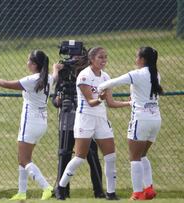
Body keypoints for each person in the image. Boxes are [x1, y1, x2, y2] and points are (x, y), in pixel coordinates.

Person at [0, 50, 53, 200]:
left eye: (28, 61)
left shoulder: (32, 79)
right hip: (41, 122)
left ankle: (46, 187)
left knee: (25, 160)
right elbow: (54, 76)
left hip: (30, 122)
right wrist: (56, 70)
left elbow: (6, 84)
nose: (27, 63)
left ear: (34, 64)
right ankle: (22, 192)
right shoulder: (48, 77)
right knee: (23, 157)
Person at [57, 47, 130, 200]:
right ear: (92, 59)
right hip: (85, 119)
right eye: (100, 57)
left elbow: (110, 103)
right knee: (79, 157)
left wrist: (129, 103)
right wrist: (100, 98)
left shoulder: (106, 77)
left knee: (110, 156)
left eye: (105, 57)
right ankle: (60, 187)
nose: (104, 60)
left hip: (101, 120)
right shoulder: (84, 76)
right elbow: (91, 102)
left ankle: (111, 193)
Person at [98, 47, 162, 200]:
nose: (135, 60)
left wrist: (100, 88)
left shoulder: (137, 74)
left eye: (137, 57)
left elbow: (113, 82)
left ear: (143, 59)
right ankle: (149, 189)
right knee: (143, 155)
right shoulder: (156, 74)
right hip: (156, 120)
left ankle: (137, 192)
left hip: (141, 120)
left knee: (134, 158)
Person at [51, 53, 105, 199]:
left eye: (78, 58)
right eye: (72, 58)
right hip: (67, 120)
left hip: (87, 121)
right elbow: (55, 100)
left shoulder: (89, 75)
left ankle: (99, 191)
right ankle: (63, 191)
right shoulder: (63, 74)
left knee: (92, 154)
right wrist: (58, 100)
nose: (74, 61)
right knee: (65, 154)